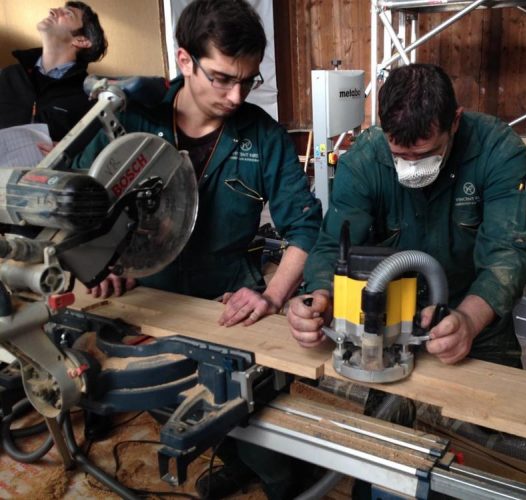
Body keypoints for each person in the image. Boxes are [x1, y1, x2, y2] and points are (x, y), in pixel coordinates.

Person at [73, 1, 321, 497]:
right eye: (223, 78)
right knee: (176, 406)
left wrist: (270, 297)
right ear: (184, 60)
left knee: (253, 413)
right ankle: (240, 459)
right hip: (149, 298)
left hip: (230, 300)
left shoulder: (261, 135)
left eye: (248, 81)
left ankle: (278, 477)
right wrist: (99, 265)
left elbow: (307, 229)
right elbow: (78, 206)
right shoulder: (129, 123)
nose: (236, 96)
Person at [288, 63, 526, 370]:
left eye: (424, 154)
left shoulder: (498, 151)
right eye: (400, 156)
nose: (411, 166)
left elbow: (508, 253)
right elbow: (332, 245)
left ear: (454, 122)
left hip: (473, 315)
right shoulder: (364, 161)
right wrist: (320, 297)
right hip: (385, 319)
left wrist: (469, 321)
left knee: (492, 413)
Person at [0, 2, 107, 142]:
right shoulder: (8, 76)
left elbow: (95, 154)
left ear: (81, 40)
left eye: (68, 13)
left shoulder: (88, 99)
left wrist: (68, 152)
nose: (52, 10)